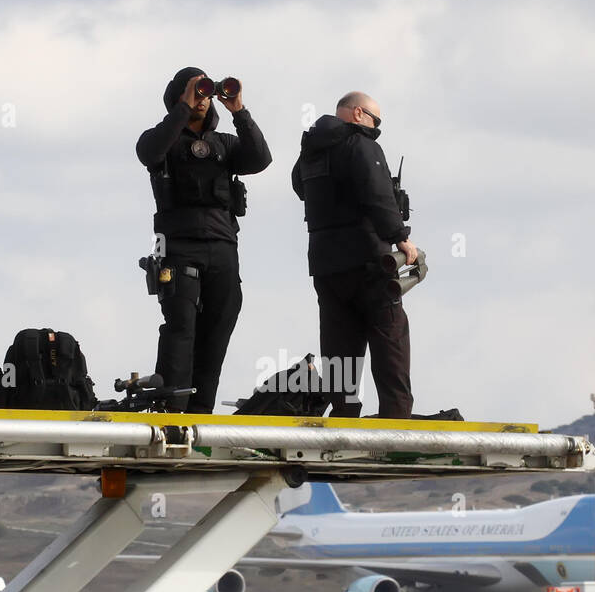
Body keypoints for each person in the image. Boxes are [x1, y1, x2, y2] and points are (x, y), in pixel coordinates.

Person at [136, 67, 271, 413]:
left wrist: (239, 111)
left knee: (217, 329)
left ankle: (200, 416)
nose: (201, 99)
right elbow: (148, 153)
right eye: (195, 91)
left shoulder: (224, 144)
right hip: (179, 247)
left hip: (223, 248)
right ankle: (171, 414)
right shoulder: (161, 139)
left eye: (206, 92)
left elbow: (260, 158)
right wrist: (182, 108)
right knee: (181, 328)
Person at [291, 91, 417, 419]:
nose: (376, 132)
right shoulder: (361, 144)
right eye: (376, 123)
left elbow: (300, 187)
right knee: (390, 336)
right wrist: (401, 240)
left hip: (326, 266)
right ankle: (396, 418)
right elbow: (377, 196)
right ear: (359, 114)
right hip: (369, 260)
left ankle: (345, 415)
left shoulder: (310, 151)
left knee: (338, 345)